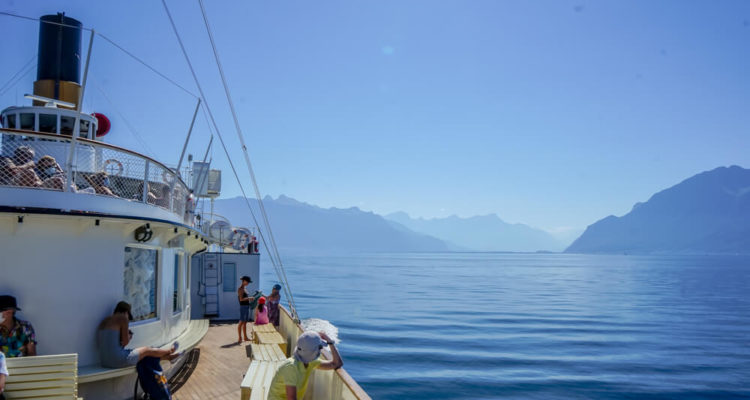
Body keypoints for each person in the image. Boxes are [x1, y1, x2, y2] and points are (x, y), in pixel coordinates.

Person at [97, 301, 180, 368]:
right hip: (118, 360)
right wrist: (129, 336)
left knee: (144, 356)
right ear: (126, 312)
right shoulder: (122, 318)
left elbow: (109, 342)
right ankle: (170, 351)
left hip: (104, 361)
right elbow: (125, 343)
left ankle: (169, 358)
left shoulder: (105, 321)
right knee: (147, 350)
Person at [267, 331, 343, 400]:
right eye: (320, 348)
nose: (321, 350)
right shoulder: (290, 367)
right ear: (313, 353)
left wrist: (330, 342)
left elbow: (336, 363)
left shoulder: (311, 362)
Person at [237, 276, 260, 343]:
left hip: (246, 306)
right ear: (244, 281)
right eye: (247, 282)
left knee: (245, 322)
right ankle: (239, 338)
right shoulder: (240, 289)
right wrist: (249, 298)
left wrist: (250, 298)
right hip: (243, 307)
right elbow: (241, 299)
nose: (248, 283)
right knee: (241, 322)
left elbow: (245, 297)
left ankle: (245, 337)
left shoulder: (244, 288)